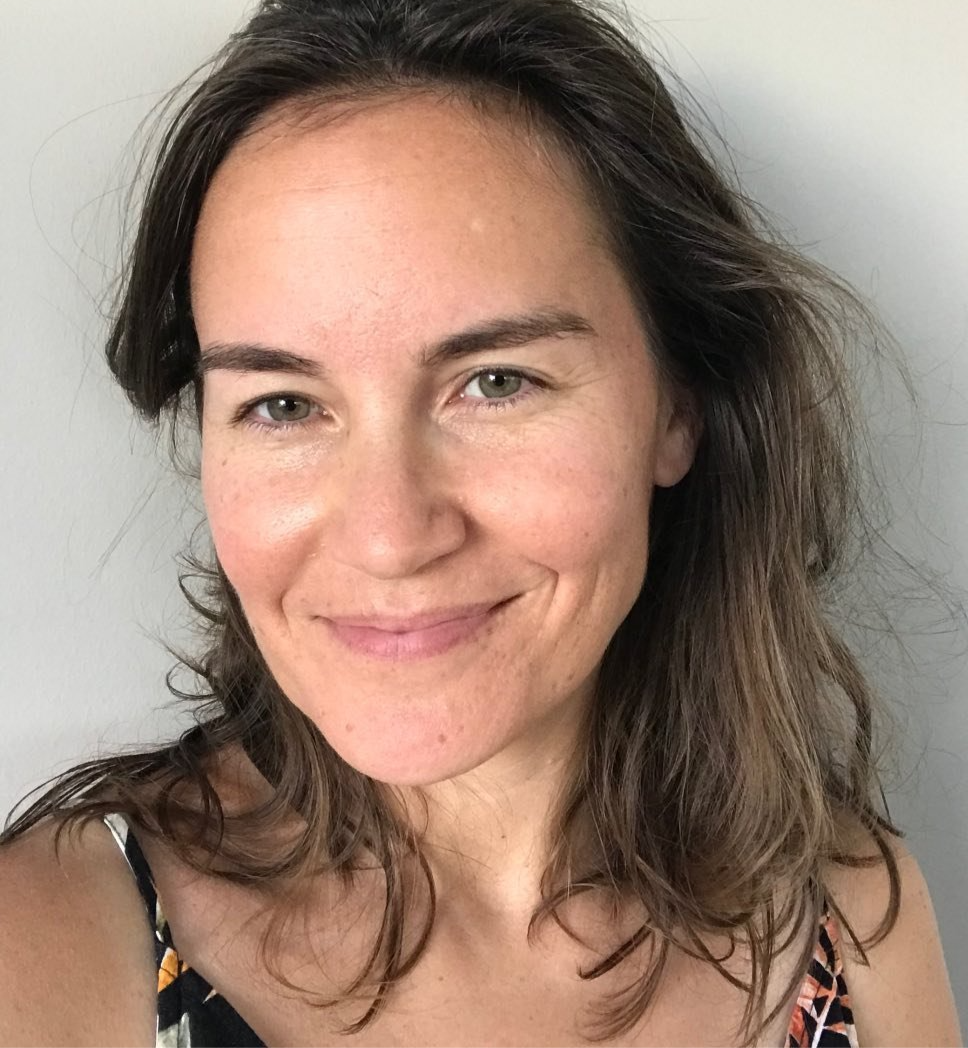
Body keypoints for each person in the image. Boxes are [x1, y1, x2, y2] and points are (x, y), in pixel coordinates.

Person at [0, 0, 960, 1044]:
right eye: (282, 404)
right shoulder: (48, 944)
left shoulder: (852, 919)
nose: (387, 534)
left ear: (676, 407)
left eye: (495, 382)